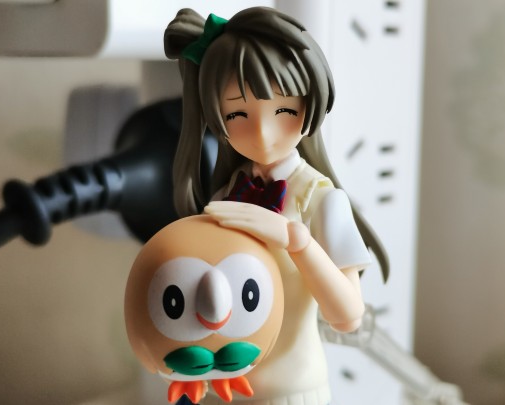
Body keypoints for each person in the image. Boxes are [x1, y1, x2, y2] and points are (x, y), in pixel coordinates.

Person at [164, 7, 388, 405]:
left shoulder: (321, 200)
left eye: (283, 111)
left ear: (310, 103)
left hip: (292, 388)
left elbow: (348, 316)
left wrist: (296, 240)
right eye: (237, 114)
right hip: (229, 387)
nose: (263, 133)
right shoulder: (226, 196)